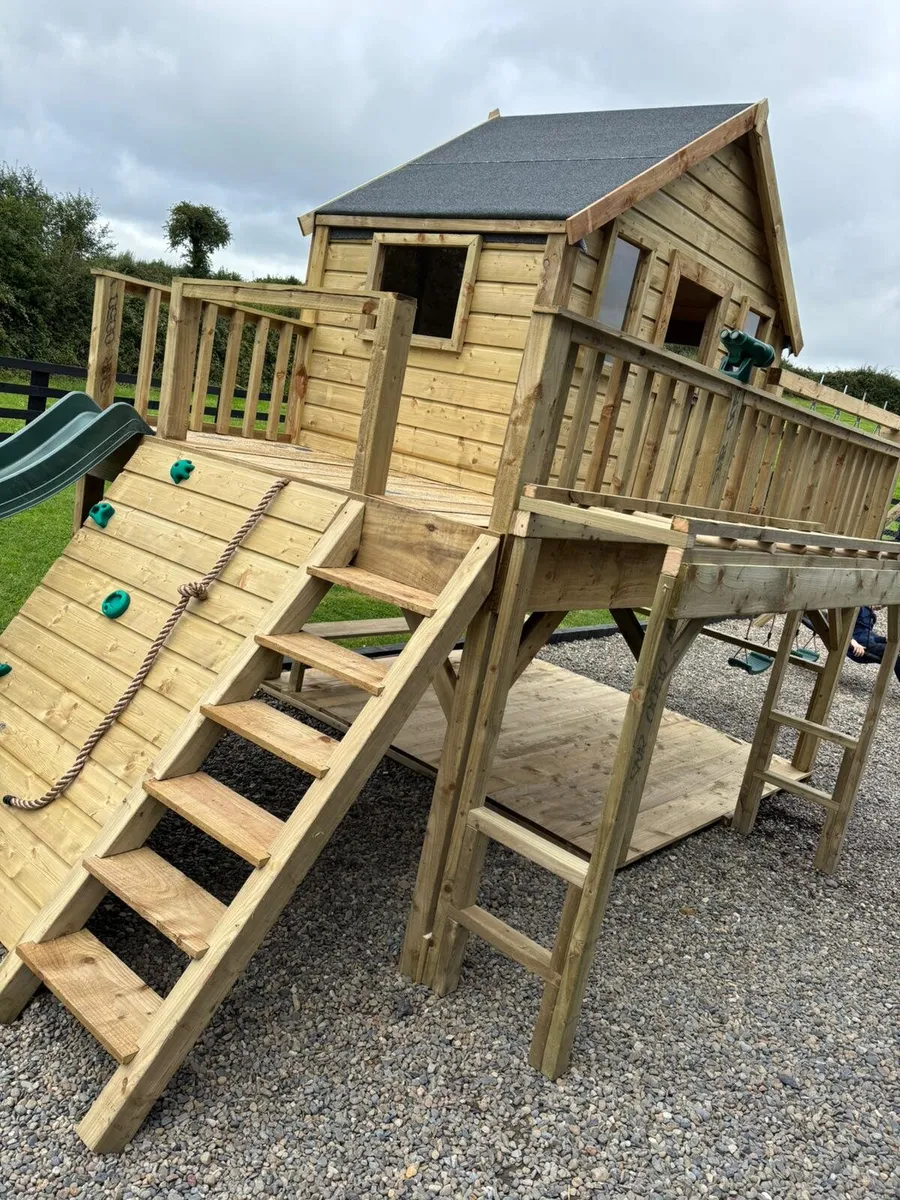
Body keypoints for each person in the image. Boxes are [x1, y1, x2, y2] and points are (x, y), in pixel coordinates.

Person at [847, 606, 900, 680]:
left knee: (896, 649)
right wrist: (852, 641)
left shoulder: (870, 614)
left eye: (883, 606)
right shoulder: (859, 608)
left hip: (868, 643)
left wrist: (884, 639)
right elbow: (844, 627)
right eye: (881, 604)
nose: (880, 607)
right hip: (859, 646)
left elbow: (867, 635)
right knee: (893, 651)